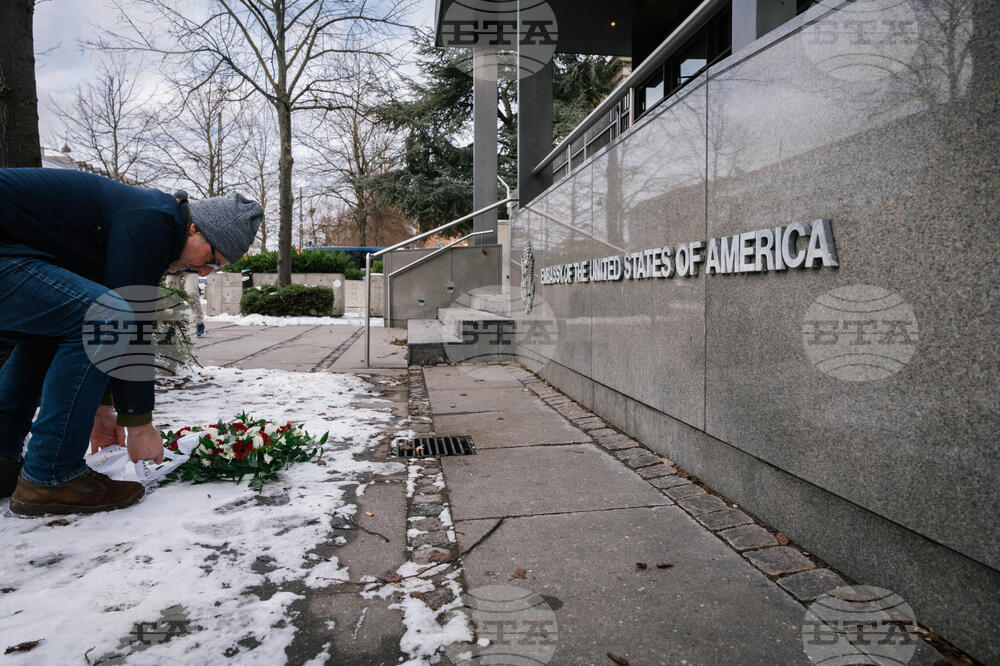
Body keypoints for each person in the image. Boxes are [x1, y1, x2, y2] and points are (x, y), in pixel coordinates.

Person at [0, 168, 262, 516]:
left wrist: (103, 406)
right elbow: (127, 320)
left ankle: (3, 459)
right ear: (196, 228)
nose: (203, 272)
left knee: (54, 330)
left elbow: (93, 332)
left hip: (14, 253)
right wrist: (138, 423)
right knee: (107, 314)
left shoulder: (147, 223)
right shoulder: (150, 221)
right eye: (212, 260)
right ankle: (50, 475)